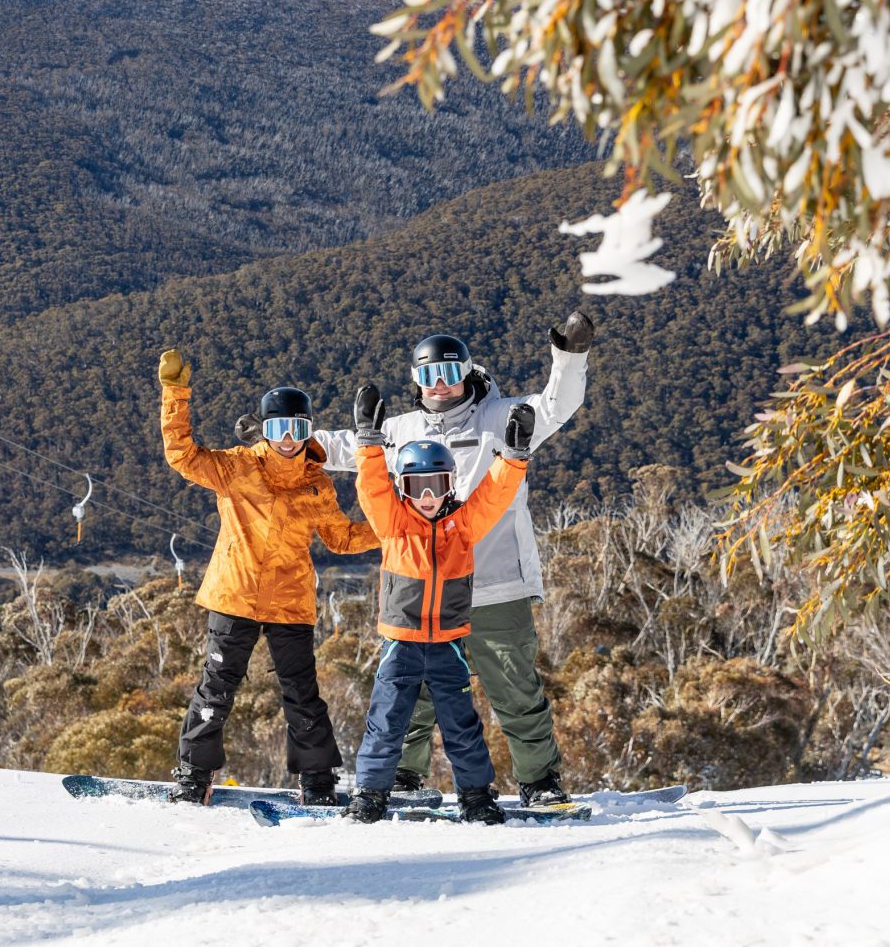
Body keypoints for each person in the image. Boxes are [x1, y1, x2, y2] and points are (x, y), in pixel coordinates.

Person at [318, 313, 594, 805]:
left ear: (468, 372)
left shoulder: (502, 417)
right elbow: (342, 446)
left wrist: (569, 356)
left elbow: (558, 404)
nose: (440, 386)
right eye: (428, 376)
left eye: (449, 373)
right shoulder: (400, 428)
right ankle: (403, 776)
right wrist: (278, 440)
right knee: (416, 690)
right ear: (415, 381)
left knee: (514, 688)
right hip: (425, 592)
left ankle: (539, 782)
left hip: (495, 583)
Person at [157, 350, 378, 806]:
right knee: (216, 687)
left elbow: (341, 538)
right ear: (264, 429)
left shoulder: (317, 483)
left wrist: (394, 528)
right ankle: (195, 772)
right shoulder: (236, 467)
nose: (288, 440)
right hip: (233, 593)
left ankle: (317, 778)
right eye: (279, 429)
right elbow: (182, 454)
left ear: (308, 431)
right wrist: (175, 394)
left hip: (289, 601)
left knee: (302, 693)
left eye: (298, 429)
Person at [346, 395, 537, 824]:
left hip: (448, 643)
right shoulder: (393, 523)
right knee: (387, 721)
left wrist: (514, 456)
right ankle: (370, 793)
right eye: (417, 487)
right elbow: (372, 487)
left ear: (451, 484)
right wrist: (369, 442)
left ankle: (475, 796)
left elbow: (494, 494)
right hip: (402, 642)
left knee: (461, 726)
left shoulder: (463, 526)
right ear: (403, 488)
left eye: (437, 484)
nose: (428, 496)